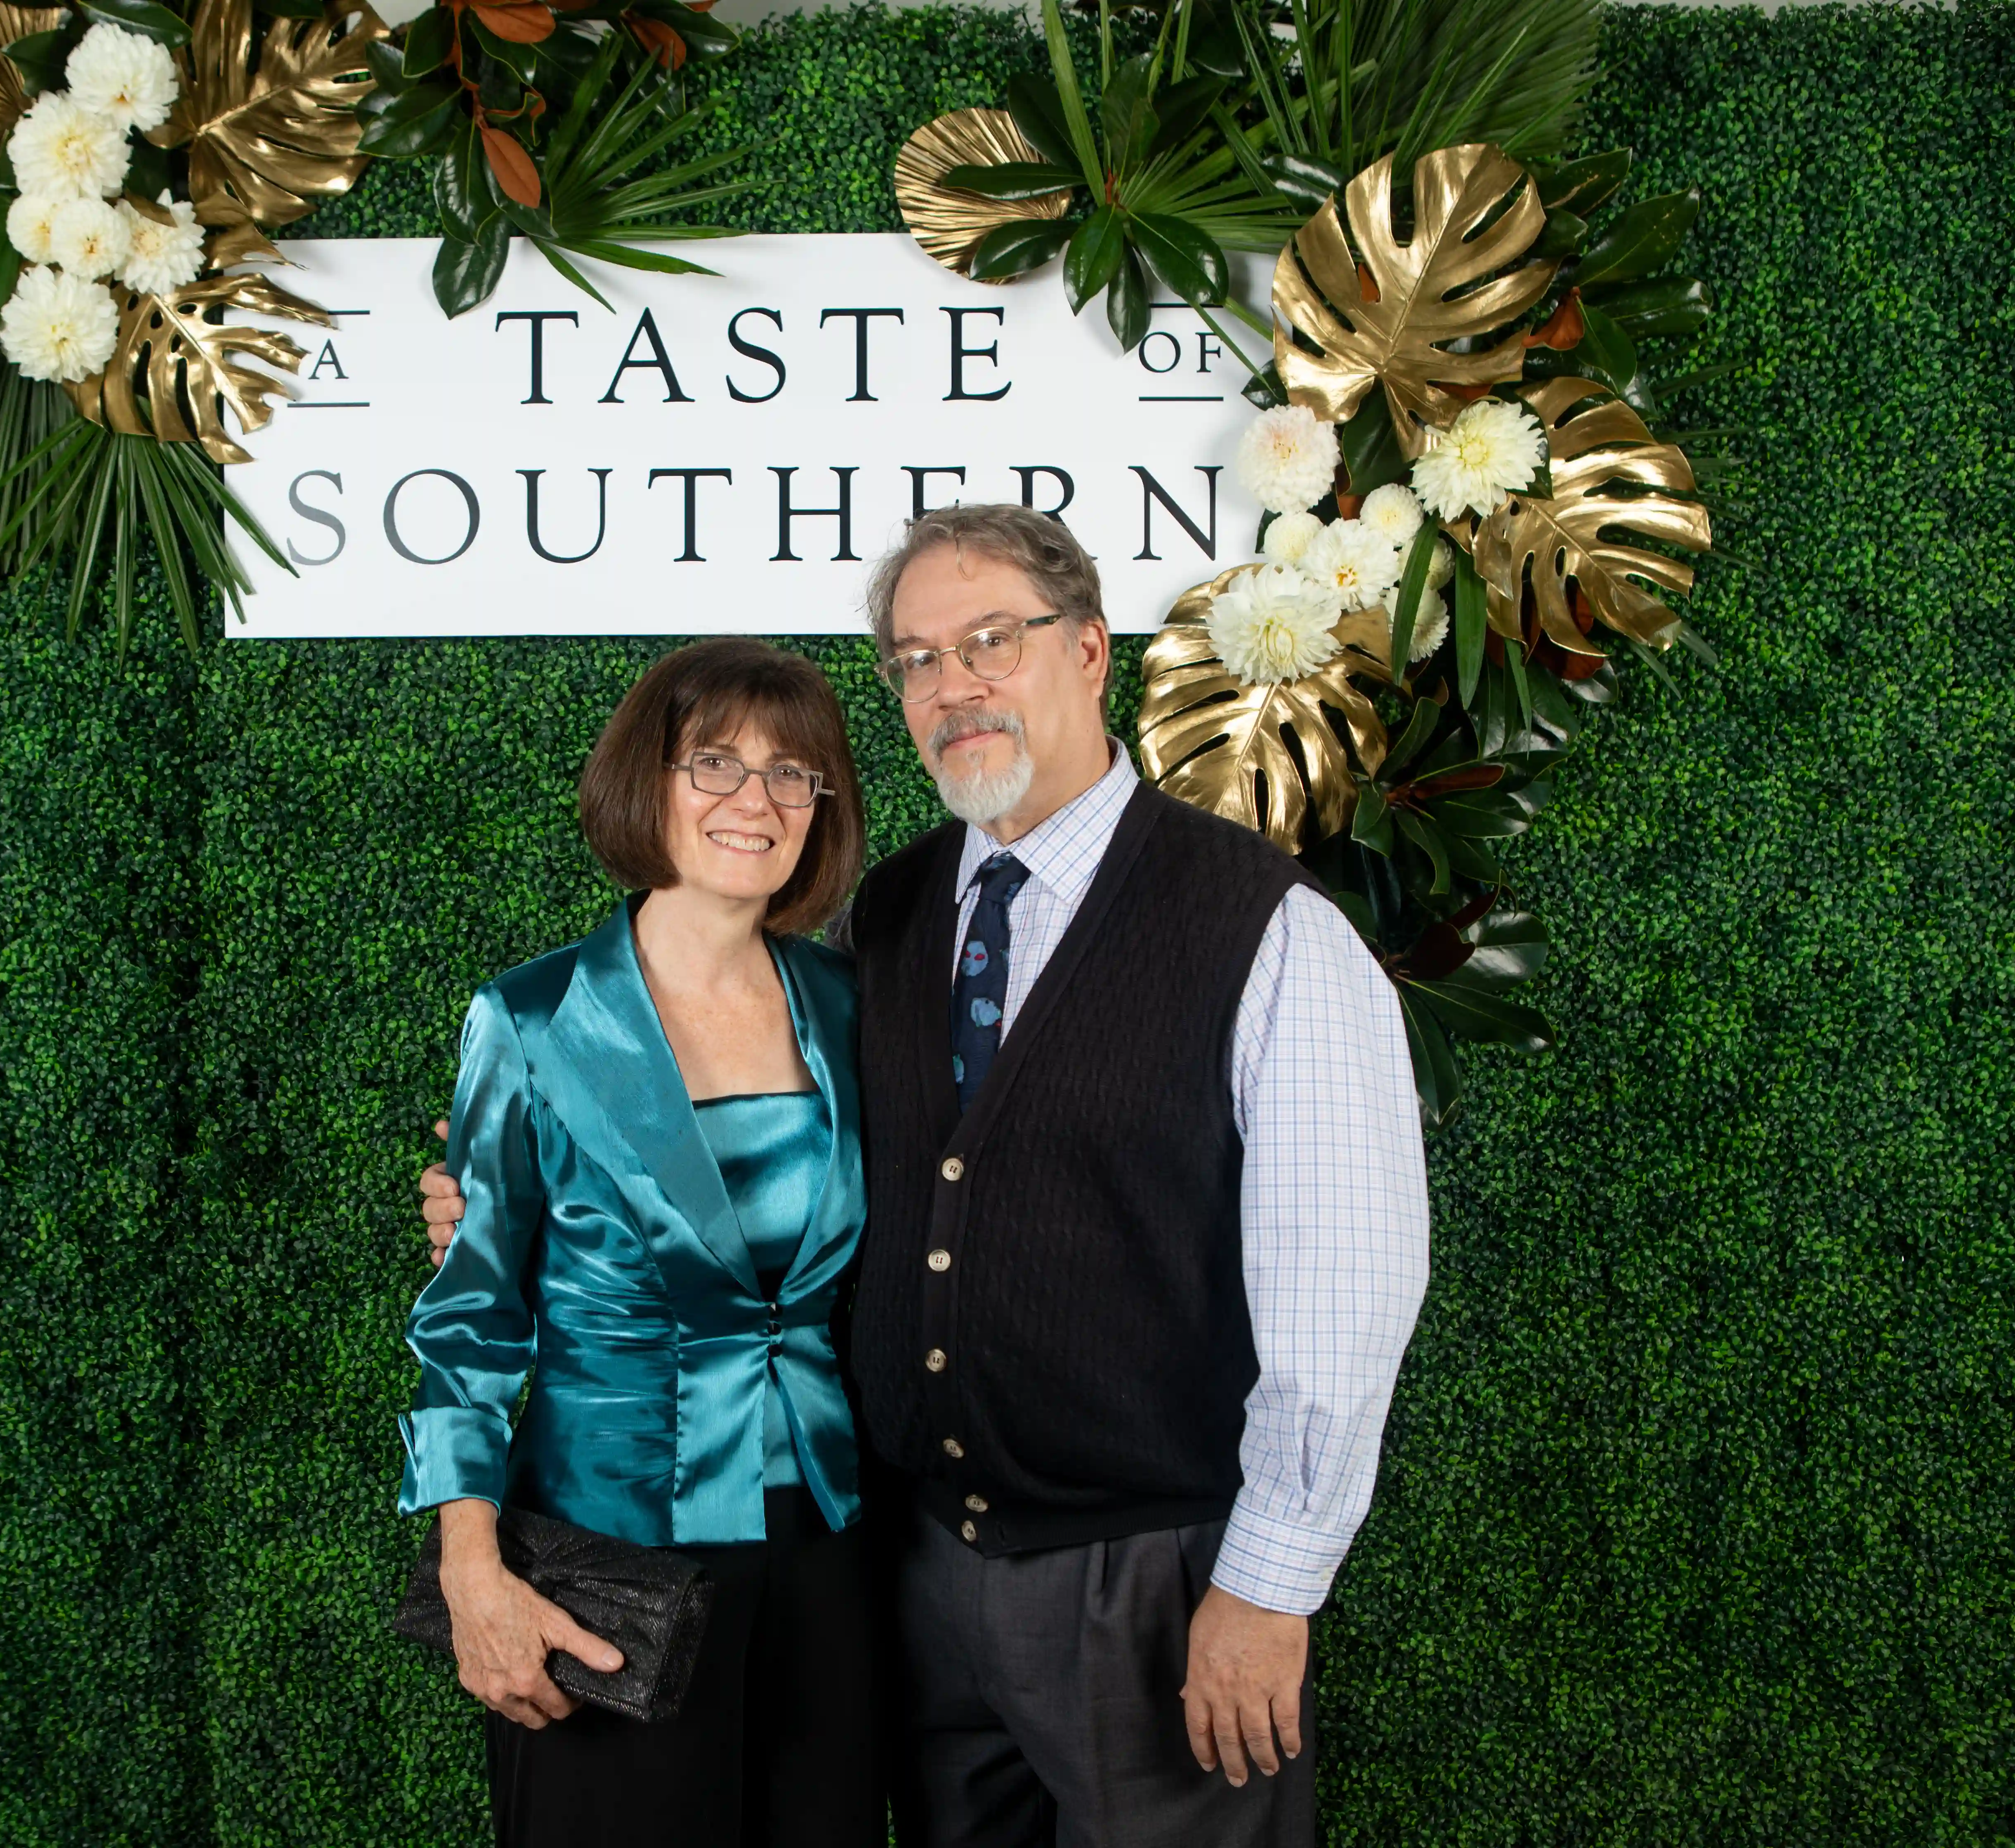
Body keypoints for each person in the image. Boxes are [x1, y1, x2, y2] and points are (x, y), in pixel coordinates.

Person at [423, 505, 1431, 1848]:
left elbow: (1348, 1286)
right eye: (914, 660)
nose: (953, 685)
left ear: (1088, 651)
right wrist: (520, 1226)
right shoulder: (887, 926)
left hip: (1138, 1574)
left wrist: (1271, 1585)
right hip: (897, 1568)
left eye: (990, 642)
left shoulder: (1268, 927)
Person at [396, 638, 884, 1848]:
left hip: (830, 1549)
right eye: (714, 763)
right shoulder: (531, 1019)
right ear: (647, 785)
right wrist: (471, 1570)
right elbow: (471, 1325)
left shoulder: (855, 1007)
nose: (754, 802)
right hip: (613, 1556)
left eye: (792, 774)